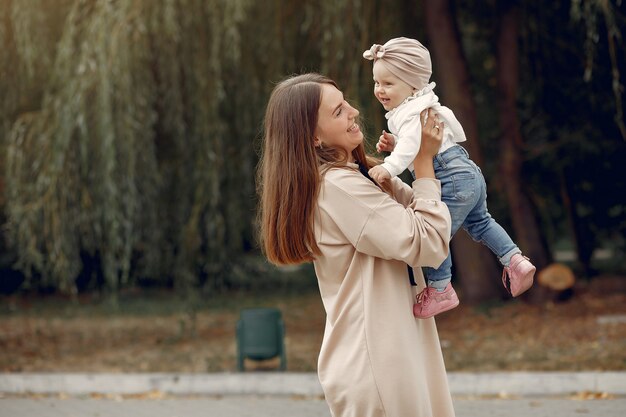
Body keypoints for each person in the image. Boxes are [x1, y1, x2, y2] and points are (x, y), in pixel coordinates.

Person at [257, 73, 455, 417]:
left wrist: (414, 161)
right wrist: (422, 164)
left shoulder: (358, 178)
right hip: (380, 363)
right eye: (337, 112)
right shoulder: (339, 187)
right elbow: (428, 241)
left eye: (345, 101)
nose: (353, 111)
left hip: (389, 352)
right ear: (314, 137)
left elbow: (434, 217)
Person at [362, 37, 536, 319]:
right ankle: (514, 259)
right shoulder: (422, 104)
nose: (380, 90)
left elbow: (411, 147)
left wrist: (390, 165)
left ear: (414, 83)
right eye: (376, 83)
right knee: (481, 222)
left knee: (435, 235)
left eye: (388, 84)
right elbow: (416, 142)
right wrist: (396, 144)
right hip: (468, 172)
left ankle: (441, 288)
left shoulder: (411, 112)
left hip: (449, 177)